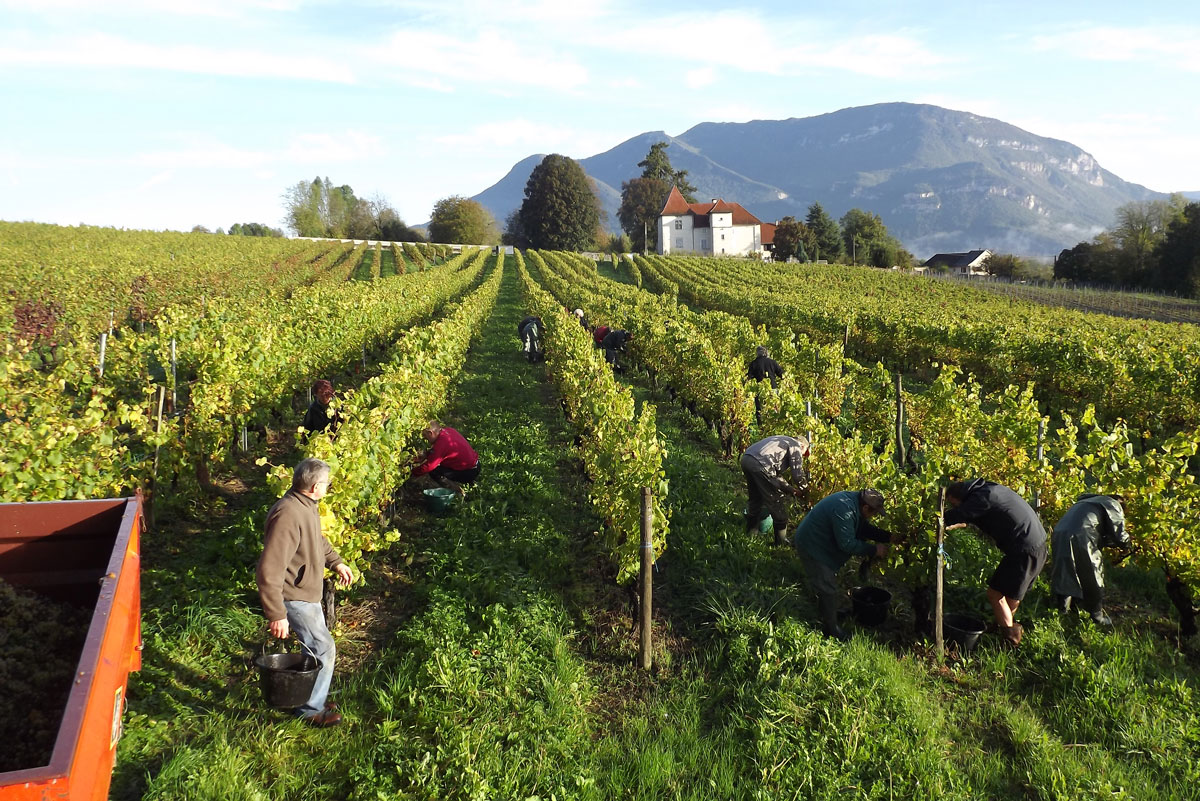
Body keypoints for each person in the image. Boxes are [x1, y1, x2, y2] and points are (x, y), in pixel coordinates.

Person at [256, 458, 354, 727]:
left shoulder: (306, 505)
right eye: (327, 484)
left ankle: (312, 696)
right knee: (323, 648)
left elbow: (316, 540)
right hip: (295, 596)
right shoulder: (288, 515)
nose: (329, 488)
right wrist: (276, 613)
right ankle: (311, 709)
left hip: (307, 593)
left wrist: (336, 561)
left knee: (314, 649)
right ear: (314, 487)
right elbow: (269, 568)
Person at [945, 479, 1048, 647]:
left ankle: (1011, 642)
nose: (953, 508)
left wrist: (937, 521)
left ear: (961, 498)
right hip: (1037, 545)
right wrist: (950, 526)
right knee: (1011, 597)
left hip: (1023, 550)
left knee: (994, 594)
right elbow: (965, 519)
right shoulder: (987, 489)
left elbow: (958, 515)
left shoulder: (983, 497)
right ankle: (1000, 631)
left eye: (953, 504)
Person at [793, 488, 892, 641]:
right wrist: (874, 550)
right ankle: (831, 629)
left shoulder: (854, 504)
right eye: (874, 513)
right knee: (828, 588)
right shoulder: (844, 510)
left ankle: (828, 613)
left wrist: (889, 537)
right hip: (812, 545)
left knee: (826, 585)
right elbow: (847, 544)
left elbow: (863, 528)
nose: (873, 517)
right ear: (865, 507)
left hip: (820, 541)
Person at [1050, 494, 1130, 626]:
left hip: (1060, 532)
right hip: (1082, 535)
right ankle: (1097, 616)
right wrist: (1128, 544)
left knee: (1065, 570)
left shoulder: (1087, 502)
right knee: (1091, 573)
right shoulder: (1113, 504)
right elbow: (1119, 534)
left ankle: (1062, 612)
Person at [740, 435, 809, 546]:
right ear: (802, 446)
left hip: (747, 459)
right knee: (776, 502)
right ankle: (780, 543)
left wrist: (791, 490)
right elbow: (797, 474)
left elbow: (774, 476)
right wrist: (806, 489)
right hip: (761, 465)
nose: (802, 456)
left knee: (755, 498)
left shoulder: (781, 440)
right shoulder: (795, 445)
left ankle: (751, 535)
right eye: (803, 453)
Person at [411, 419, 480, 497]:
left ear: (430, 433)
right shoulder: (448, 431)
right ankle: (471, 483)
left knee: (434, 472)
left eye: (425, 436)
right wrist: (426, 455)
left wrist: (412, 472)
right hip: (475, 465)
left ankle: (458, 492)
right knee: (443, 466)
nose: (425, 438)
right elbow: (440, 452)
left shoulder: (441, 444)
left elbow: (429, 466)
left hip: (469, 472)